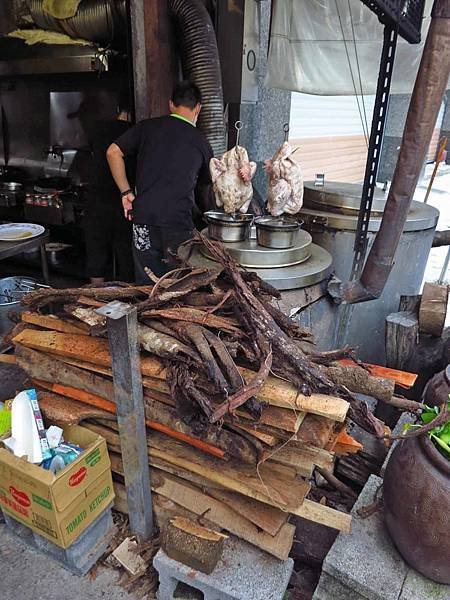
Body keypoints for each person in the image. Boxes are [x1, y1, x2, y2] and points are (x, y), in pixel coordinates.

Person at [106, 81, 214, 282]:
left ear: (171, 104)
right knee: (178, 285)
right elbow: (207, 186)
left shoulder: (147, 127)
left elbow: (113, 152)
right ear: (198, 108)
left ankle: (145, 313)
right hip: (178, 224)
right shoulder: (201, 141)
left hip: (144, 219)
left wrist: (125, 193)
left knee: (147, 284)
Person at [83, 90, 136, 284]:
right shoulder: (135, 132)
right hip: (124, 203)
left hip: (96, 200)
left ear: (118, 109)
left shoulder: (98, 129)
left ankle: (95, 301)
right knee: (126, 255)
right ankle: (128, 301)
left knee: (96, 254)